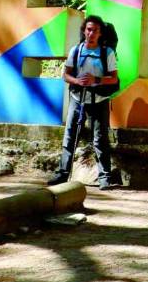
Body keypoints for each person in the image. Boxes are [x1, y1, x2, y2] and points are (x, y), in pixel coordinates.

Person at [49, 15, 119, 188]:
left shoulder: (107, 53)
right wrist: (77, 81)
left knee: (100, 139)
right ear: (84, 31)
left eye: (95, 30)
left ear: (100, 33)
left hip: (99, 100)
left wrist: (96, 79)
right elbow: (66, 74)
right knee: (70, 136)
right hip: (77, 98)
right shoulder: (76, 50)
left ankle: (104, 178)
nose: (91, 33)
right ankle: (62, 174)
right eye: (88, 29)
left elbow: (114, 79)